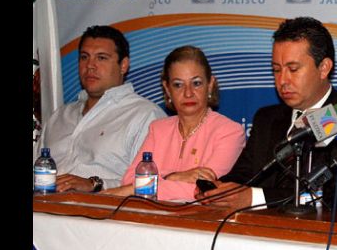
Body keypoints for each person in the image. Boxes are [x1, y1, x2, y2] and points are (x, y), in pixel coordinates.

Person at [199, 17, 337, 209]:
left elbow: (336, 195)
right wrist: (218, 190)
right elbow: (243, 176)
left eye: (293, 69)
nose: (283, 80)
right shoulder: (266, 119)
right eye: (276, 70)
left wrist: (255, 198)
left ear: (324, 68)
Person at [104, 46, 246, 200]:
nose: (188, 92)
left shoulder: (230, 132)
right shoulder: (158, 129)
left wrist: (146, 185)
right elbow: (129, 180)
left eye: (196, 83)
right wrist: (174, 176)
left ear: (210, 84)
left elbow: (205, 191)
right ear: (167, 88)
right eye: (178, 84)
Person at [35, 25, 165, 192]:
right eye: (84, 57)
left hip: (102, 213)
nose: (90, 65)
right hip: (42, 210)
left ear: (123, 65)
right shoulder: (60, 115)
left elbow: (152, 185)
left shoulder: (145, 116)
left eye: (101, 58)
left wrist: (94, 184)